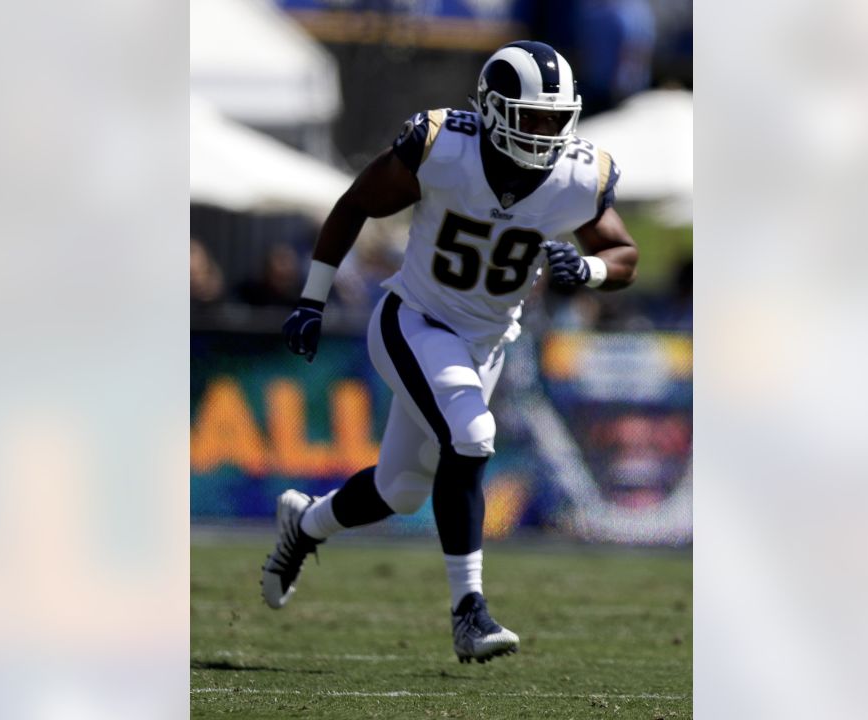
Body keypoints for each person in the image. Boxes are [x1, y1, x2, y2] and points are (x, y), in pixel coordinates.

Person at [263, 40, 639, 664]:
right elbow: (357, 201)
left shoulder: (579, 176)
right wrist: (312, 298)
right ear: (492, 111)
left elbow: (623, 254)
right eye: (531, 117)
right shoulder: (444, 147)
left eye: (555, 119)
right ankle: (470, 612)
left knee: (401, 489)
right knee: (472, 435)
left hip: (486, 343)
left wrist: (592, 269)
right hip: (414, 318)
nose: (546, 132)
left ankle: (303, 525)